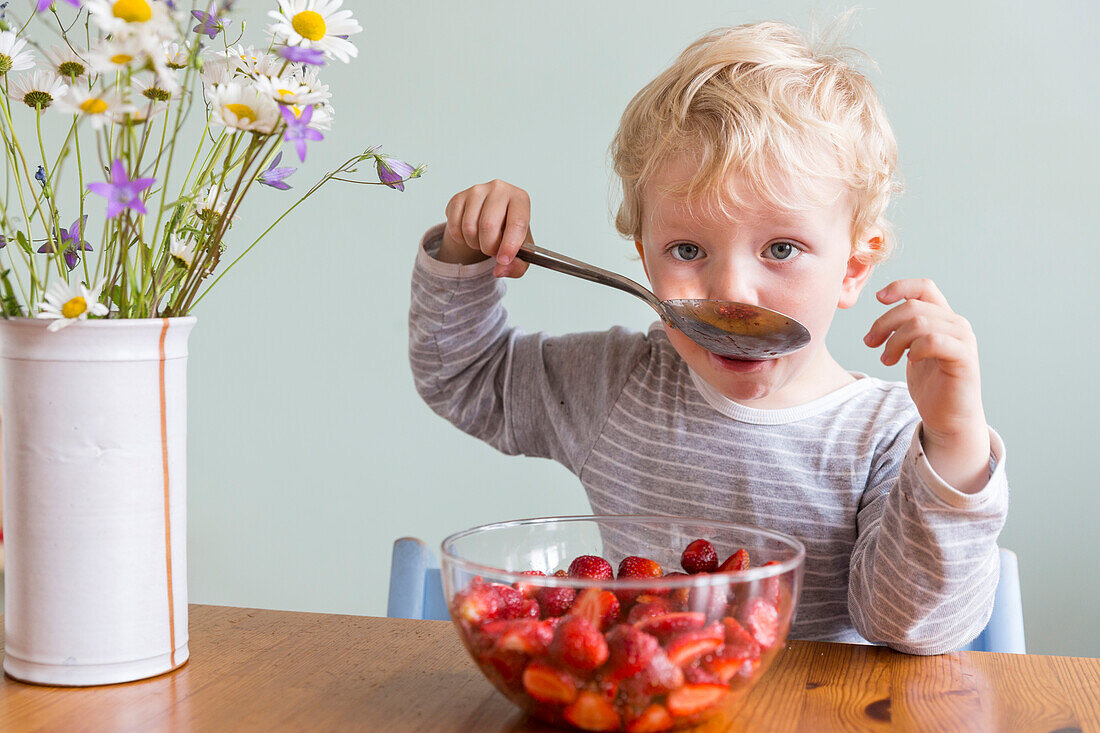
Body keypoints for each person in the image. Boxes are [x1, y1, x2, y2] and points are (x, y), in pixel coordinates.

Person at [408, 18, 1008, 654]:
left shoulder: (888, 435)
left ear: (854, 267)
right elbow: (466, 379)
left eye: (781, 247)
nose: (733, 291)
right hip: (644, 706)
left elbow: (914, 628)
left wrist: (952, 442)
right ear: (644, 258)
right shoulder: (621, 383)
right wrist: (464, 255)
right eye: (687, 248)